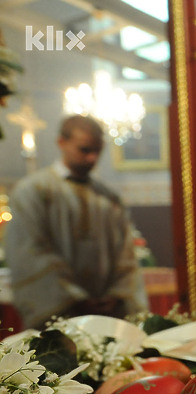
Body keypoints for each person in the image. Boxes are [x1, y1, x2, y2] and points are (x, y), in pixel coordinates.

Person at [4, 115, 149, 330]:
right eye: (84, 149)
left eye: (97, 151)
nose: (92, 158)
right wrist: (75, 299)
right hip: (59, 312)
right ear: (61, 142)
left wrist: (117, 295)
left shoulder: (108, 198)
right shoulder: (33, 191)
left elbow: (125, 255)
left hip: (109, 313)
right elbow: (30, 252)